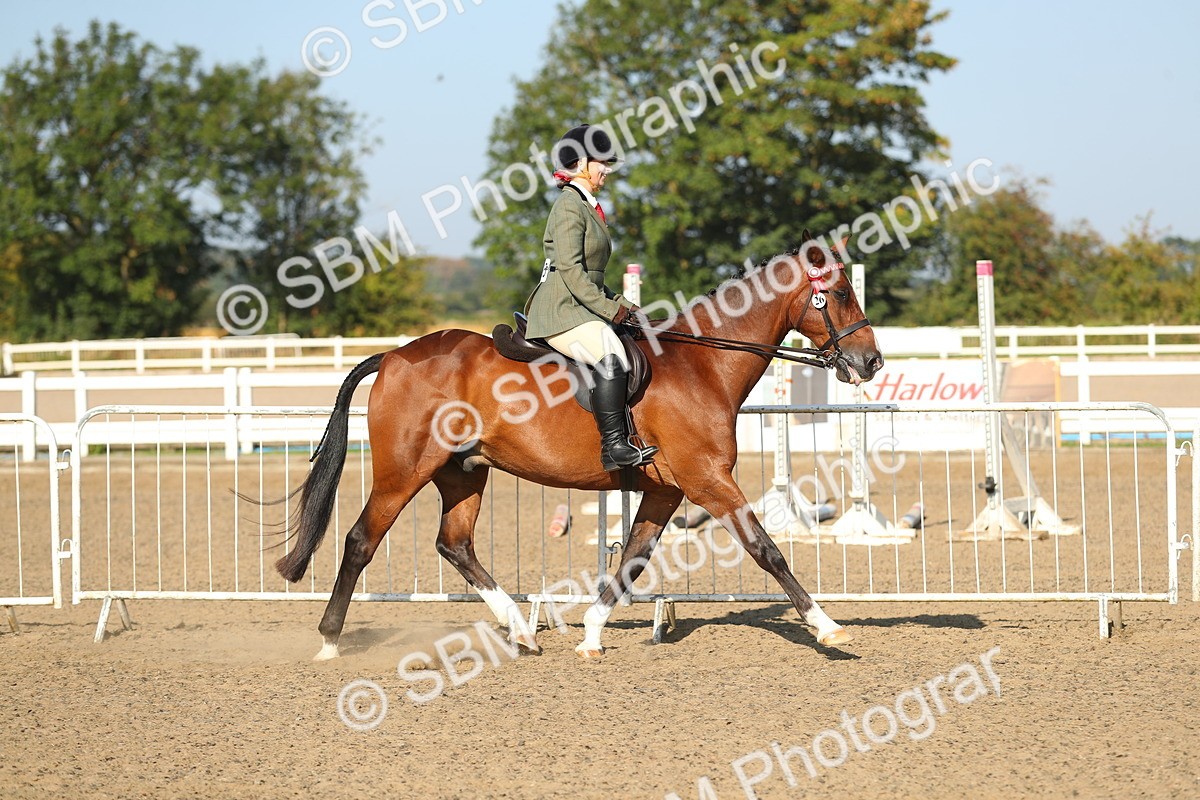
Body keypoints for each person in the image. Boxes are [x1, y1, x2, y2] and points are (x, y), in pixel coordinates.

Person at [523, 124, 658, 472]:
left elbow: (593, 276)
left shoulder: (587, 206)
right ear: (582, 163)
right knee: (610, 353)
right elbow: (570, 271)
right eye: (602, 163)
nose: (607, 170)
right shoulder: (569, 206)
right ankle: (613, 447)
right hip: (560, 310)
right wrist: (609, 310)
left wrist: (627, 308)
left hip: (579, 304)